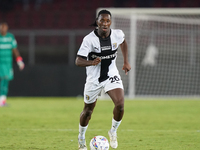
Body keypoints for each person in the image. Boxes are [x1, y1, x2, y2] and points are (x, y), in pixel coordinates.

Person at [75, 10, 131, 150]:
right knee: (88, 111)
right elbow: (78, 61)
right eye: (102, 20)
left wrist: (126, 61)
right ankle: (81, 138)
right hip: (94, 78)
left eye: (107, 21)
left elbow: (123, 42)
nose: (105, 23)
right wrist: (91, 63)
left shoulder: (117, 34)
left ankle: (113, 131)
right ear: (97, 21)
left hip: (111, 75)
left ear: (110, 22)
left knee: (120, 105)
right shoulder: (89, 39)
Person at [0, 22, 25, 107]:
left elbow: (14, 50)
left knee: (5, 80)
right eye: (1, 27)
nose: (2, 29)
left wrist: (19, 61)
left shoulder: (10, 37)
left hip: (7, 63)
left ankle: (2, 100)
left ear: (7, 28)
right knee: (3, 80)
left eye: (4, 28)